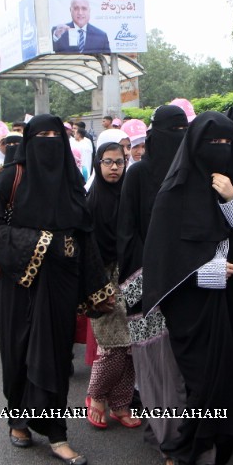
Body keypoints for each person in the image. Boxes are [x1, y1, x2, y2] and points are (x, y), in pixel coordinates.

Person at [0, 114, 114, 465]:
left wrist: (97, 286)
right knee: (17, 351)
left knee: (54, 357)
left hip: (60, 283)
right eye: (42, 135)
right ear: (28, 141)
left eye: (56, 135)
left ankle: (57, 434)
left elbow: (85, 235)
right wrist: (42, 242)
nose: (49, 141)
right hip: (18, 282)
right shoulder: (11, 176)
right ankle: (18, 421)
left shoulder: (71, 181)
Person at [142, 111, 233, 465]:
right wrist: (209, 274)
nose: (220, 151)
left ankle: (213, 461)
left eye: (226, 143)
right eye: (212, 144)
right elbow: (162, 261)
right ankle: (186, 455)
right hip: (189, 305)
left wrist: (231, 197)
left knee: (225, 381)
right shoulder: (173, 193)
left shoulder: (222, 185)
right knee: (201, 384)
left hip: (224, 302)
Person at [116, 105, 189, 465]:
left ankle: (169, 431)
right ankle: (167, 437)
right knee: (152, 365)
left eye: (183, 129)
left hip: (184, 284)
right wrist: (148, 276)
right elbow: (125, 234)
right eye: (170, 130)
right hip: (142, 286)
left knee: (175, 366)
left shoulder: (190, 172)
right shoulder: (137, 174)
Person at [85, 140, 140, 430]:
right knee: (113, 345)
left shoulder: (131, 195)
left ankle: (121, 404)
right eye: (107, 162)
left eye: (119, 162)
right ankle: (96, 397)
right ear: (98, 164)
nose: (114, 168)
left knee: (134, 344)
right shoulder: (90, 201)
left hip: (132, 272)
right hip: (102, 277)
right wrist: (94, 285)